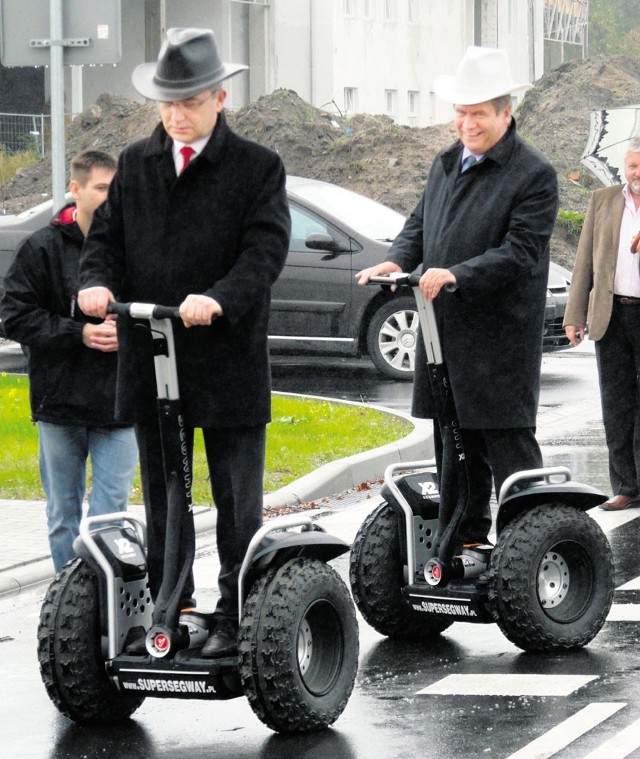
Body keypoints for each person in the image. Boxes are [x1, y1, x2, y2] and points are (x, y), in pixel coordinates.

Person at [77, 28, 290, 658]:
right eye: (168, 102)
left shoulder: (256, 166)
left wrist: (221, 297)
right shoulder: (137, 164)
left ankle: (238, 612)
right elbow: (105, 243)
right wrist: (94, 285)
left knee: (234, 497)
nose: (176, 114)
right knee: (165, 491)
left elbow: (265, 250)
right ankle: (175, 600)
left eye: (190, 101)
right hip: (153, 354)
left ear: (220, 99)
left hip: (224, 356)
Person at [356, 46, 559, 547]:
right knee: (452, 441)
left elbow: (520, 253)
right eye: (461, 113)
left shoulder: (534, 174)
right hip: (444, 330)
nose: (468, 124)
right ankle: (462, 541)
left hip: (499, 337)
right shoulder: (445, 163)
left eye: (479, 114)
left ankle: (532, 547)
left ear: (505, 113)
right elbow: (420, 224)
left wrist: (455, 275)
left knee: (506, 444)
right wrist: (398, 260)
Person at [0, 150, 138, 573]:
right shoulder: (41, 248)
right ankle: (68, 603)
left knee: (108, 516)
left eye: (116, 189)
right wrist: (77, 332)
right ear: (75, 190)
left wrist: (128, 334)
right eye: (101, 188)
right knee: (63, 516)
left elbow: (155, 310)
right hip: (59, 406)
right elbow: (13, 315)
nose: (110, 197)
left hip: (119, 407)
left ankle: (105, 603)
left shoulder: (134, 249)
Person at [564, 138, 640, 511]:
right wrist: (575, 316)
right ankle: (626, 486)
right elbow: (584, 265)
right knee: (616, 403)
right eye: (632, 166)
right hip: (610, 315)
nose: (637, 173)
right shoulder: (604, 200)